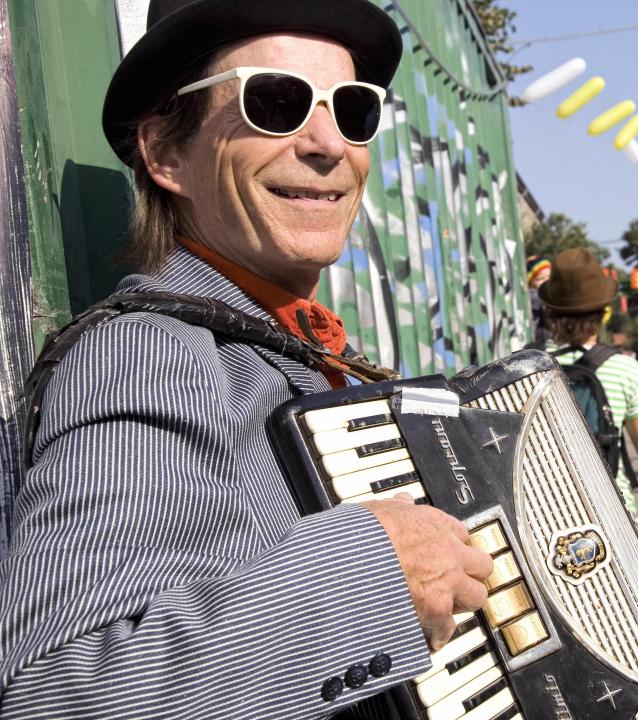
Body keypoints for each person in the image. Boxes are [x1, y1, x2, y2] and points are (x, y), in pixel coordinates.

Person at [0, 2, 494, 717]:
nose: (329, 144)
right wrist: (373, 574)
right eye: (276, 101)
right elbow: (63, 697)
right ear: (167, 153)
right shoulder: (149, 355)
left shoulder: (311, 350)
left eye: (353, 111)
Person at [538, 247, 638, 515]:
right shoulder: (625, 370)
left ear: (550, 311)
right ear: (602, 311)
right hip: (611, 511)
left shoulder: (525, 366)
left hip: (545, 513)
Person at [526, 254, 552, 346]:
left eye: (549, 277)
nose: (546, 281)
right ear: (530, 282)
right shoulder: (534, 295)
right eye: (540, 279)